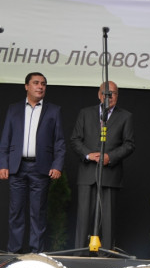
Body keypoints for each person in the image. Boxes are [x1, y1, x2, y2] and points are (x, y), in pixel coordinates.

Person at [0, 72, 65, 253]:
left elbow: (59, 141)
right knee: (16, 213)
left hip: (40, 168)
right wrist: (3, 164)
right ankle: (14, 252)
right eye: (36, 83)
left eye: (43, 84)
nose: (40, 86)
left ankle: (36, 253)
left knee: (38, 213)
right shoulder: (14, 109)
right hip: (17, 167)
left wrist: (57, 165)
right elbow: (5, 139)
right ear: (26, 86)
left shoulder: (53, 110)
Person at [70, 81, 135, 253]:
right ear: (99, 95)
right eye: (106, 93)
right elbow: (75, 139)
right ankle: (80, 254)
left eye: (112, 93)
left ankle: (106, 256)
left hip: (110, 174)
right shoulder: (85, 113)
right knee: (83, 218)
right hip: (87, 174)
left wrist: (110, 157)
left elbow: (129, 144)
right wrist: (88, 154)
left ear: (117, 96)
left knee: (108, 220)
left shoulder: (125, 116)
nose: (109, 96)